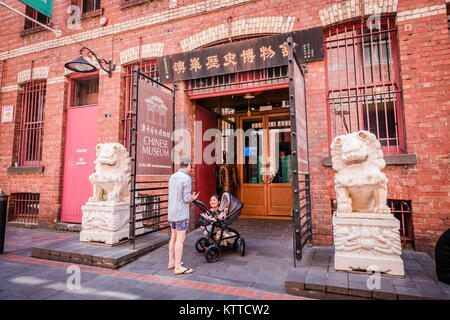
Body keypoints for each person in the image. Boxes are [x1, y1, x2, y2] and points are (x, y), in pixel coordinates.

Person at [167, 157, 199, 275]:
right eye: (191, 166)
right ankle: (178, 267)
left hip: (172, 211)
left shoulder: (172, 176)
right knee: (180, 239)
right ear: (188, 165)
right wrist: (193, 198)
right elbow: (186, 199)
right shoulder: (186, 178)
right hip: (181, 213)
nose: (191, 168)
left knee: (173, 237)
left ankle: (172, 262)